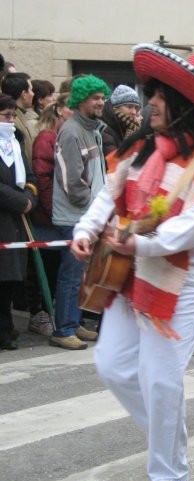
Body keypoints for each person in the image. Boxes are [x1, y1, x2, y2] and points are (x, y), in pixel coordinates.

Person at [71, 43, 194, 481]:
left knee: (160, 379)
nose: (152, 104)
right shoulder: (141, 148)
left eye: (161, 96)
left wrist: (139, 242)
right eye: (153, 94)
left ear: (185, 105)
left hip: (178, 284)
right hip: (128, 275)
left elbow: (191, 232)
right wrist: (86, 229)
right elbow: (108, 195)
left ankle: (169, 471)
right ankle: (169, 434)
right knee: (111, 366)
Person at [50, 74, 111, 350]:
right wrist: (92, 207)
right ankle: (63, 329)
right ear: (80, 100)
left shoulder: (93, 129)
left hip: (87, 216)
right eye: (95, 98)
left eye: (102, 97)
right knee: (72, 275)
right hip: (75, 216)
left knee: (81, 276)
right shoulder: (72, 131)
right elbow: (72, 183)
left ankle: (73, 324)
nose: (101, 102)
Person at [28, 94, 73, 335]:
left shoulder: (64, 137)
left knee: (56, 267)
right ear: (58, 110)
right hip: (50, 214)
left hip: (59, 212)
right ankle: (39, 314)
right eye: (70, 107)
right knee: (45, 267)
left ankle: (51, 312)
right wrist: (53, 210)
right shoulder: (47, 138)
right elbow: (43, 178)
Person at [0, 93, 38, 349]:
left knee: (11, 278)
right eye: (6, 116)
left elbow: (31, 178)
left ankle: (6, 326)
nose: (11, 120)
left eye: (13, 115)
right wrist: (18, 200)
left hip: (15, 221)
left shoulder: (15, 142)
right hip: (4, 215)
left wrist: (29, 199)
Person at [101, 84, 142, 157]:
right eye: (129, 107)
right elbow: (114, 158)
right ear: (116, 107)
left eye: (136, 108)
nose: (134, 112)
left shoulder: (128, 126)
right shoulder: (104, 128)